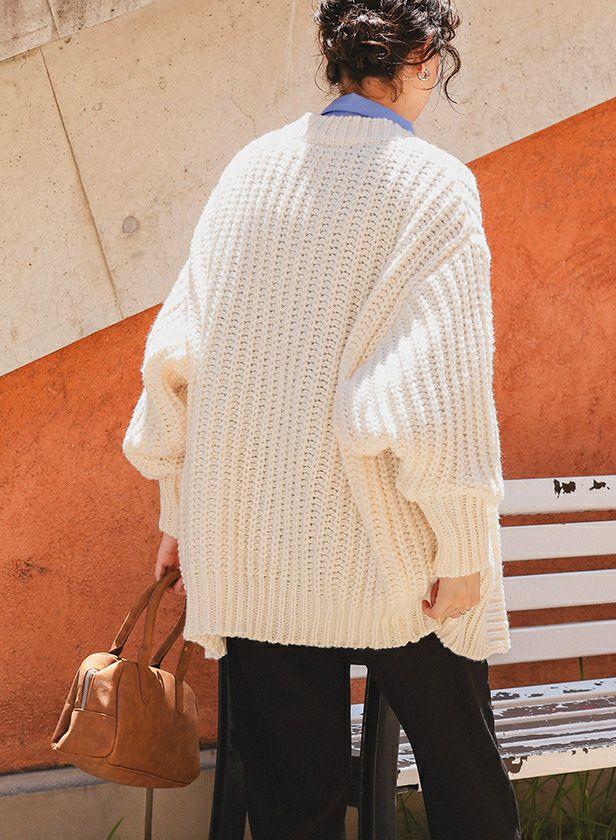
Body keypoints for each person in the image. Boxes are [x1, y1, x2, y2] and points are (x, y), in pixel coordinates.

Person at [121, 1, 522, 838]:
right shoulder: (433, 185)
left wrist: (179, 517)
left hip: (252, 548)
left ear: (333, 55)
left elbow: (177, 359)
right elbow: (438, 392)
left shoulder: (250, 172)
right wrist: (465, 548)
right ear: (421, 55)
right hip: (394, 555)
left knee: (291, 809)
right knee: (468, 794)